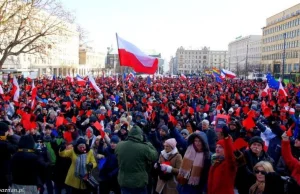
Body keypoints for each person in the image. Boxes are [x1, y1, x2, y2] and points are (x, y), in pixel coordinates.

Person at [115, 125, 158, 194]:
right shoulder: (144, 147)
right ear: (140, 135)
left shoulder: (119, 145)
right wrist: (148, 142)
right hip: (139, 182)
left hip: (124, 181)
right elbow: (154, 156)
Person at [207, 126, 236, 194]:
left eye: (220, 147)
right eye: (216, 147)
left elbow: (230, 155)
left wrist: (226, 139)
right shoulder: (215, 161)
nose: (217, 149)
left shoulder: (229, 163)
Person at [0, 122, 18, 190]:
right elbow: (15, 148)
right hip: (3, 173)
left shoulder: (4, 141)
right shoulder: (4, 144)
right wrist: (11, 136)